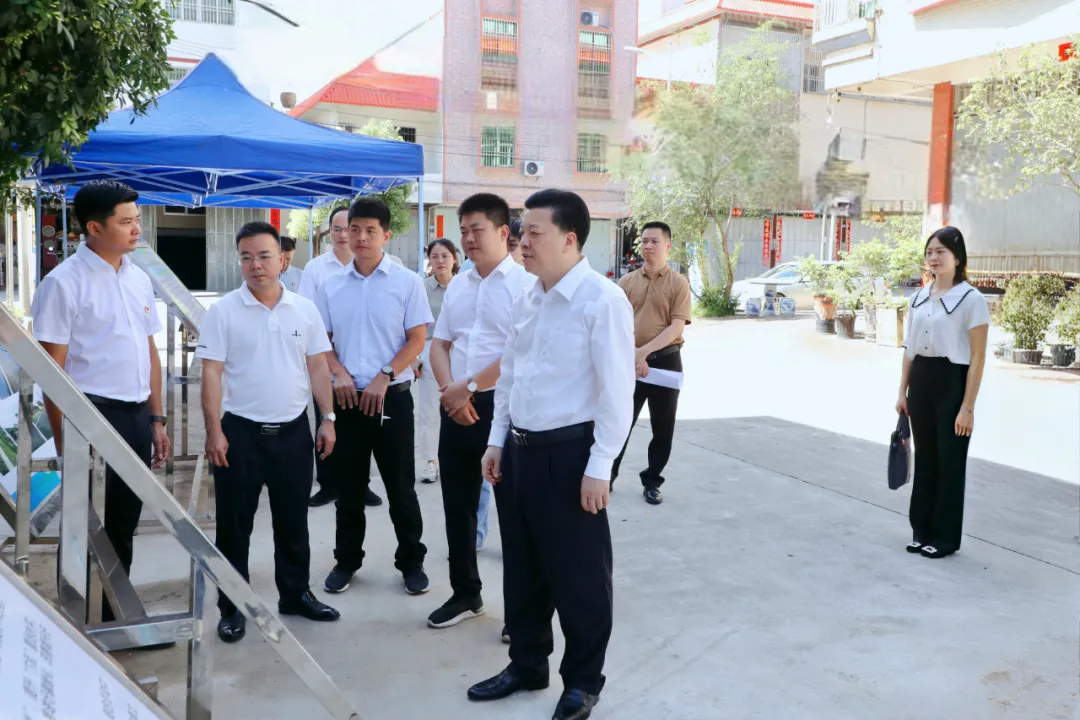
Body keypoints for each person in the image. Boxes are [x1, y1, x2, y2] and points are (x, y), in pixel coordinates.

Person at [469, 189, 634, 720]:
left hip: (571, 456)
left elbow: (617, 394)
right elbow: (510, 376)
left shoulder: (601, 300)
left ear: (569, 238)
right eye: (522, 231)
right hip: (520, 452)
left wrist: (600, 467)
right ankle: (527, 663)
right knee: (523, 568)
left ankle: (583, 682)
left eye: (534, 232)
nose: (523, 241)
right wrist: (497, 441)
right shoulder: (530, 296)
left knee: (579, 575)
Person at [31, 180, 171, 630]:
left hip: (135, 414)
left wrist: (157, 418)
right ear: (94, 228)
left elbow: (149, 352)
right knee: (83, 522)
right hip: (89, 415)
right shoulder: (63, 284)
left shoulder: (137, 277)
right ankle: (77, 618)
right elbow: (51, 372)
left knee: (124, 520)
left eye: (137, 219)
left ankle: (114, 615)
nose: (137, 229)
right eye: (126, 221)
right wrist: (65, 443)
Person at [197, 221, 341, 643]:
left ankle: (295, 595)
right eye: (246, 257)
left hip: (293, 433)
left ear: (282, 259)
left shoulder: (304, 309)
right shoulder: (224, 311)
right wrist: (213, 431)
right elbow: (211, 373)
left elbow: (318, 367)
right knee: (234, 526)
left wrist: (328, 418)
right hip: (239, 434)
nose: (255, 265)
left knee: (293, 521)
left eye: (263, 256)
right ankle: (233, 606)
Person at [315, 196, 432, 596]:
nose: (361, 237)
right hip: (348, 401)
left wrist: (386, 374)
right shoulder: (331, 286)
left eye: (370, 230)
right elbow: (323, 342)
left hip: (391, 399)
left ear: (386, 235)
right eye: (355, 229)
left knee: (401, 488)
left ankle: (411, 562)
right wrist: (338, 372)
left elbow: (417, 339)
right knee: (348, 490)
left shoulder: (407, 282)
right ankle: (346, 561)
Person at [425, 193, 531, 631]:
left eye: (477, 230)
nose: (468, 238)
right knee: (458, 508)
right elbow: (439, 344)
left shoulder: (525, 286)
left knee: (513, 514)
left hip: (503, 410)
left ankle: (521, 612)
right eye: (463, 230)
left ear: (503, 232)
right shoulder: (459, 285)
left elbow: (519, 355)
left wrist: (466, 388)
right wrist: (451, 393)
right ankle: (466, 593)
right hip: (455, 406)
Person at [896, 226, 989, 560]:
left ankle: (945, 537)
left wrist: (968, 407)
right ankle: (921, 530)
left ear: (957, 257)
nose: (933, 258)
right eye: (929, 252)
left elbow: (978, 356)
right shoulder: (919, 297)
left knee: (950, 461)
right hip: (921, 380)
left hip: (953, 381)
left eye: (941, 252)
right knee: (926, 458)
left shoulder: (972, 299)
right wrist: (902, 391)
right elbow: (909, 348)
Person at [299, 205, 382, 508]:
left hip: (366, 365)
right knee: (326, 419)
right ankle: (328, 483)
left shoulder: (378, 267)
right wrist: (331, 364)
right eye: (338, 229)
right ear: (329, 232)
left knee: (362, 429)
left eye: (350, 228)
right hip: (326, 361)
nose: (345, 234)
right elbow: (308, 315)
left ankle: (362, 484)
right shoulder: (316, 269)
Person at [609, 221, 692, 505]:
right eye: (644, 241)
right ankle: (606, 476)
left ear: (668, 246)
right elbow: (617, 324)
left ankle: (652, 481)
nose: (648, 246)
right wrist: (634, 354)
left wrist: (643, 353)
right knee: (620, 422)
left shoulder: (678, 284)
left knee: (663, 427)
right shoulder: (626, 283)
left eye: (654, 241)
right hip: (629, 361)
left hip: (665, 362)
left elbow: (676, 327)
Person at [476, 215, 524, 556]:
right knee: (484, 473)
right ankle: (476, 536)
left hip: (520, 405)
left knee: (511, 482)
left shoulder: (530, 288)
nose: (521, 250)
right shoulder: (474, 282)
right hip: (484, 396)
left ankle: (516, 544)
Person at [415, 239, 459, 484]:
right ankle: (431, 461)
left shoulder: (464, 285)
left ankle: (457, 458)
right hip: (431, 350)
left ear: (454, 258)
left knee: (460, 406)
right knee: (430, 410)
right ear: (429, 260)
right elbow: (413, 324)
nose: (440, 261)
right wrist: (415, 358)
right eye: (435, 256)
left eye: (445, 256)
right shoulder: (421, 288)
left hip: (460, 351)